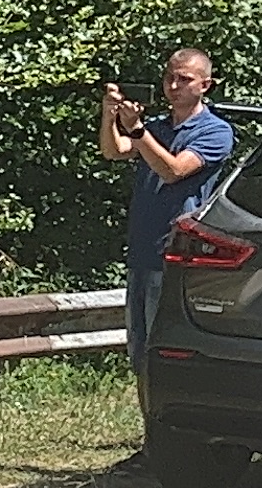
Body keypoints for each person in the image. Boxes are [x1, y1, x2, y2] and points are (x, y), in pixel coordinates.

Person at [100, 48, 239, 373]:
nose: (173, 86)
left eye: (184, 79)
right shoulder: (159, 127)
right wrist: (110, 117)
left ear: (205, 85)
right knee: (139, 350)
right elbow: (114, 150)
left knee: (165, 353)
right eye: (169, 78)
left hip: (177, 255)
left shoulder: (216, 131)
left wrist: (137, 131)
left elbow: (174, 170)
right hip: (143, 249)